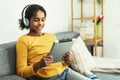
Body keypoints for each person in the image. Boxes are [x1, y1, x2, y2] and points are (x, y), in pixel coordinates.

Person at [16, 4, 91, 80]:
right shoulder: (23, 40)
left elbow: (61, 62)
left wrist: (67, 60)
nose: (40, 23)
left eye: (43, 20)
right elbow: (21, 71)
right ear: (27, 21)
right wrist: (39, 64)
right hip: (48, 78)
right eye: (36, 20)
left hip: (65, 71)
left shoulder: (51, 36)